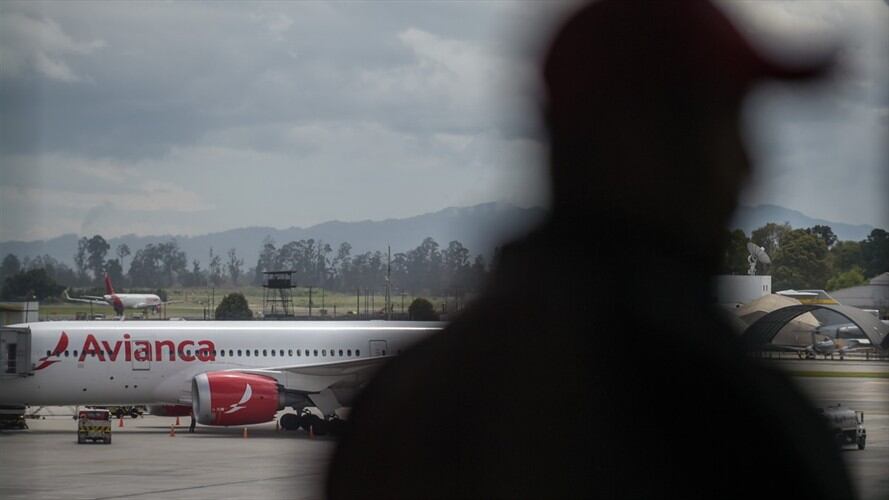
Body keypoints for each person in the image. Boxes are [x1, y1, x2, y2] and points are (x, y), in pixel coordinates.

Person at [327, 1, 855, 498]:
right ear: (643, 140)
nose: (746, 162)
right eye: (723, 122)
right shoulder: (735, 419)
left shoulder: (404, 404)